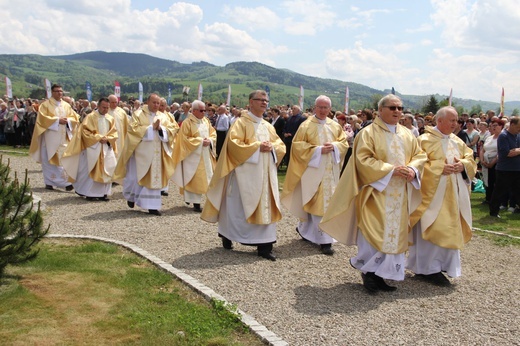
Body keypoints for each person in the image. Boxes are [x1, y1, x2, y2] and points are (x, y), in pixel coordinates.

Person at [320, 94, 426, 293]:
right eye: (393, 108)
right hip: (375, 192)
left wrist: (412, 169)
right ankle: (368, 273)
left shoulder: (407, 134)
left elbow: (420, 155)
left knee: (394, 234)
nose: (397, 111)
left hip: (399, 195)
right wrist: (390, 169)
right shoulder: (368, 133)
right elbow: (363, 160)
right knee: (374, 231)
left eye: (400, 108)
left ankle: (382, 275)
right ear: (381, 110)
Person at [201, 90, 286, 261]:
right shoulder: (240, 123)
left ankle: (265, 245)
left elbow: (280, 145)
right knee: (239, 207)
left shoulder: (267, 125)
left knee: (266, 206)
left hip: (265, 176)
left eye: (266, 100)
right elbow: (234, 145)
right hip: (245, 176)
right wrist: (257, 147)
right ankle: (227, 234)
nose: (264, 103)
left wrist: (273, 148)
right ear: (251, 102)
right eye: (260, 100)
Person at [408, 106, 477, 286]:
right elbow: (417, 164)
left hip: (454, 194)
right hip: (432, 196)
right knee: (433, 228)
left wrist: (462, 165)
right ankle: (427, 268)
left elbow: (470, 159)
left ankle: (444, 265)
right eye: (452, 120)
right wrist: (439, 168)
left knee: (450, 228)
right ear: (439, 121)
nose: (456, 124)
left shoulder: (457, 141)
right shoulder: (424, 140)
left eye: (456, 121)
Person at [281, 95, 348, 255]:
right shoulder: (306, 126)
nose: (323, 110)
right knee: (314, 202)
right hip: (313, 171)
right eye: (320, 107)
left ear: (330, 109)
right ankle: (320, 238)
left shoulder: (335, 126)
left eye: (326, 107)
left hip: (330, 172)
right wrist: (317, 150)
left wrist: (334, 146)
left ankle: (319, 236)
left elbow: (344, 143)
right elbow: (298, 147)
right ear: (314, 108)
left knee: (325, 203)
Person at [113, 93, 178, 216]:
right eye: (154, 102)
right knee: (136, 177)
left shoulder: (163, 116)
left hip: (158, 153)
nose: (156, 105)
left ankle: (152, 206)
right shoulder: (138, 114)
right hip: (141, 153)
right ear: (148, 102)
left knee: (154, 178)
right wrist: (150, 128)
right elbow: (133, 129)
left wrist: (161, 130)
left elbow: (173, 128)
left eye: (158, 103)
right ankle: (132, 197)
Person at [62, 97, 118, 201]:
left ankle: (104, 193)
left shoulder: (110, 118)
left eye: (107, 108)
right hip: (93, 147)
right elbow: (85, 132)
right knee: (91, 169)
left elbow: (114, 132)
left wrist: (108, 139)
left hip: (106, 147)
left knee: (109, 168)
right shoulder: (91, 117)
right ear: (98, 106)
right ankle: (90, 193)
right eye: (103, 107)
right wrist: (98, 138)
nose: (105, 110)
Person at [29, 84, 79, 191]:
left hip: (63, 137)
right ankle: (49, 182)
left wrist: (68, 121)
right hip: (50, 138)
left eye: (61, 91)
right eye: (57, 91)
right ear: (52, 92)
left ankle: (66, 182)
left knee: (63, 159)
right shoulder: (45, 105)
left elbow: (75, 117)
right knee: (49, 159)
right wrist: (57, 120)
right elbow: (42, 119)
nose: (59, 93)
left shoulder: (66, 105)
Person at [171, 100, 216, 212]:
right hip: (192, 156)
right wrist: (200, 141)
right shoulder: (188, 122)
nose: (204, 113)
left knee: (205, 178)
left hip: (205, 154)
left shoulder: (205, 121)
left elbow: (213, 133)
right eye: (201, 110)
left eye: (205, 110)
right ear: (194, 111)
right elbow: (184, 139)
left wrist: (209, 140)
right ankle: (195, 202)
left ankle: (202, 200)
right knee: (195, 178)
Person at [489, 116, 520, 217]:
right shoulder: (504, 136)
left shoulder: (518, 136)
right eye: (518, 127)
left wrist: (516, 151)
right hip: (504, 170)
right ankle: (494, 211)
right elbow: (507, 153)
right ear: (512, 125)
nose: (519, 129)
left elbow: (514, 152)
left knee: (518, 191)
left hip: (517, 169)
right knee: (499, 191)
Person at [480, 119, 505, 204]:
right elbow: (483, 149)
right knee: (487, 180)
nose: (493, 127)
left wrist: (492, 163)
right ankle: (488, 198)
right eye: (492, 126)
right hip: (486, 162)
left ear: (501, 126)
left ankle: (496, 200)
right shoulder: (489, 137)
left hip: (496, 163)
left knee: (495, 181)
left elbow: (500, 152)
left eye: (495, 125)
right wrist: (482, 160)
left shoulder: (502, 137)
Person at [108, 94, 128, 164]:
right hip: (109, 139)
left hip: (120, 139)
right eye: (112, 102)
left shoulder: (122, 112)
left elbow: (126, 127)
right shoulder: (105, 111)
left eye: (116, 102)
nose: (114, 104)